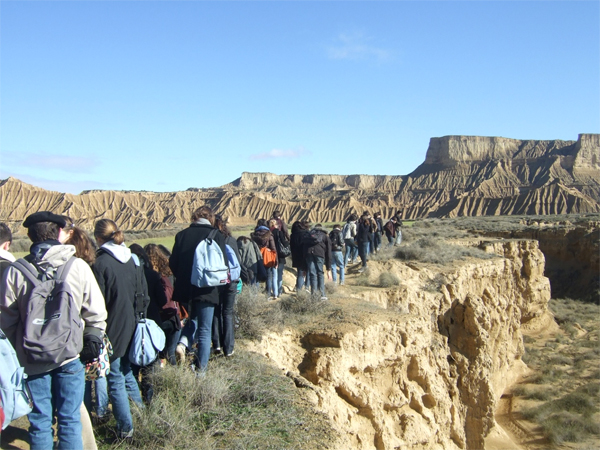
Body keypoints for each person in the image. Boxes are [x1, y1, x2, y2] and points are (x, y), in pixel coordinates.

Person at [0, 211, 107, 449]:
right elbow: (96, 312)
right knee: (70, 420)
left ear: (29, 236)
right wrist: (92, 337)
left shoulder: (15, 272)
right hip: (69, 356)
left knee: (39, 423)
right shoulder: (77, 267)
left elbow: (6, 322)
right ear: (59, 233)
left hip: (31, 359)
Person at [93, 219, 146, 438]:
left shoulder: (101, 263)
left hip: (112, 327)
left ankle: (126, 429)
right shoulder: (131, 259)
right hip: (131, 323)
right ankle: (141, 415)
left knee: (114, 378)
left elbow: (97, 302)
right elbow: (142, 293)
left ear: (98, 238)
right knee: (125, 372)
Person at [171, 206, 228, 372]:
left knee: (191, 320)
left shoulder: (181, 235)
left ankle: (182, 344)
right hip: (207, 290)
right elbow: (222, 264)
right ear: (210, 218)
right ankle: (201, 371)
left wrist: (184, 278)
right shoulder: (216, 235)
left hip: (186, 289)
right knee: (204, 330)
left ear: (194, 218)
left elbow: (173, 263)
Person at [60, 217, 100, 449]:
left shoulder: (73, 269)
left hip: (67, 342)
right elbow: (97, 311)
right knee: (90, 383)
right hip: (86, 338)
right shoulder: (88, 267)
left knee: (64, 408)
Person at [144, 244, 182, 365]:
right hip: (173, 316)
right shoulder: (170, 273)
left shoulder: (148, 275)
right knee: (170, 352)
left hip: (157, 319)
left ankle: (157, 378)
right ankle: (176, 379)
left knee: (156, 353)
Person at [211, 215, 242, 357]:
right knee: (228, 313)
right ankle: (229, 348)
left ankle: (217, 344)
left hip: (216, 281)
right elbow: (238, 261)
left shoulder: (210, 242)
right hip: (231, 281)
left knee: (216, 312)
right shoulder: (231, 241)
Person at [302, 224, 331, 300]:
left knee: (312, 274)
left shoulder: (309, 235)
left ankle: (314, 294)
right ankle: (322, 294)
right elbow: (328, 252)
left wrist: (304, 267)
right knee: (320, 273)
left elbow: (304, 249)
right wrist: (328, 268)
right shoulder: (324, 236)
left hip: (309, 254)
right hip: (319, 254)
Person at [251, 219, 278, 300]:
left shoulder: (254, 234)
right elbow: (273, 248)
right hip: (267, 258)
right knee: (269, 277)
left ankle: (255, 295)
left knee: (257, 277)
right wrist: (276, 261)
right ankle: (268, 295)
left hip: (256, 258)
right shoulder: (269, 234)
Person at [290, 220, 309, 292]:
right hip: (305, 255)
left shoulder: (292, 235)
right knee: (308, 272)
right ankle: (306, 287)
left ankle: (299, 289)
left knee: (300, 274)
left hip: (296, 256)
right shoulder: (305, 233)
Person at [269, 218, 287, 296]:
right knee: (279, 274)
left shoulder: (268, 233)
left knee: (273, 275)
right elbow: (284, 244)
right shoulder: (279, 233)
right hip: (280, 255)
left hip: (271, 256)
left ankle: (274, 292)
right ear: (276, 225)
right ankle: (279, 291)